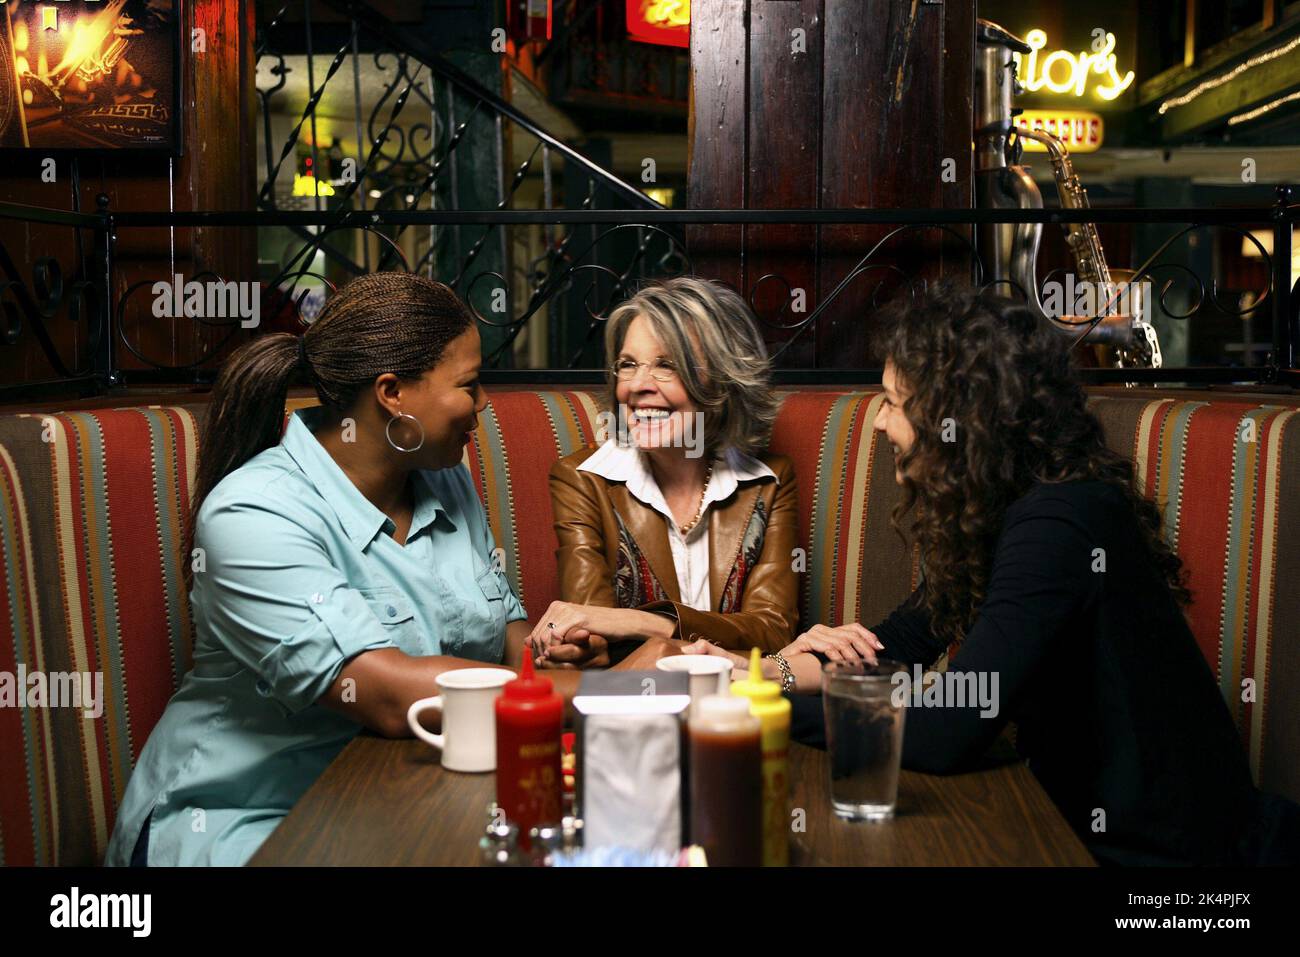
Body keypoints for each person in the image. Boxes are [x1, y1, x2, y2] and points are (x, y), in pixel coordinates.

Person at [683, 283, 1299, 866]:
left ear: (960, 415)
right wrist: (758, 674)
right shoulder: (1008, 507)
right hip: (1080, 832)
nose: (877, 423)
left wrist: (760, 709)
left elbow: (947, 731)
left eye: (893, 403)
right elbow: (896, 645)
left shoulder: (1060, 521)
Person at [105, 273, 668, 867]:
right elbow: (385, 695)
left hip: (404, 801)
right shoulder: (254, 512)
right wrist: (623, 690)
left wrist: (558, 653)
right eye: (469, 385)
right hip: (249, 818)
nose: (482, 405)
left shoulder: (439, 472)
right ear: (392, 393)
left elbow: (507, 644)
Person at [533, 277, 799, 669]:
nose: (638, 386)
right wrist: (576, 646)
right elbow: (593, 629)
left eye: (666, 365)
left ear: (721, 380)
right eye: (628, 365)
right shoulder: (582, 479)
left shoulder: (769, 482)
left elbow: (773, 631)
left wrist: (650, 623)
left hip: (737, 706)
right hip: (641, 704)